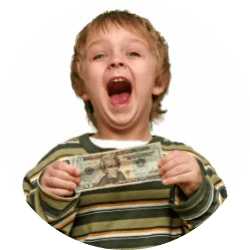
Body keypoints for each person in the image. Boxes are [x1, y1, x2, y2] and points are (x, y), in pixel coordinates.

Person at [23, 10, 227, 249]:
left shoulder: (188, 164)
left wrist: (196, 191)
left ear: (158, 82)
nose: (116, 61)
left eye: (133, 53)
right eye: (100, 55)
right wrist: (49, 197)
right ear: (83, 87)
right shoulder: (59, 164)